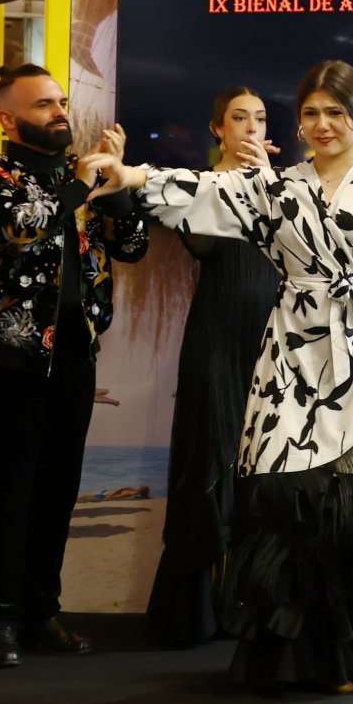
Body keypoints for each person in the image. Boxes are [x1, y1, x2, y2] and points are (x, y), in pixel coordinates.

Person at [91, 60, 353, 692]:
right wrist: (132, 175)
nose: (323, 124)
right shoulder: (278, 188)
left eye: (335, 112)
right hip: (291, 354)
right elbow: (201, 191)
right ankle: (289, 653)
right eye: (311, 113)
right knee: (286, 494)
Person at [0, 64, 149, 668]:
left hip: (73, 352)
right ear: (9, 118)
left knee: (58, 488)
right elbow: (22, 232)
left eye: (61, 101)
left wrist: (115, 186)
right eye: (43, 105)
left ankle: (41, 612)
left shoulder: (81, 177)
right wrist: (83, 184)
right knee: (7, 486)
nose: (59, 112)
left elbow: (132, 246)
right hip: (6, 356)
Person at [147, 87, 283, 647]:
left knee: (269, 472)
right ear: (217, 129)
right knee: (209, 459)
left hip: (274, 339)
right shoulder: (198, 185)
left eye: (260, 118)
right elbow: (201, 242)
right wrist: (236, 181)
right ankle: (194, 614)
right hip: (216, 337)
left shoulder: (283, 183)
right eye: (239, 118)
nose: (251, 127)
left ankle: (255, 604)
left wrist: (269, 181)